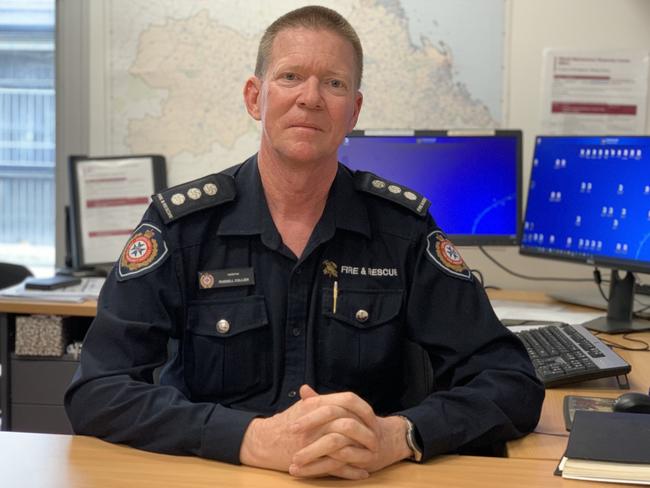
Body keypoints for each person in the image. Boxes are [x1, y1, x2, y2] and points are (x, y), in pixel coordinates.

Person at [65, 5, 544, 480]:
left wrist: (399, 435)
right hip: (218, 474)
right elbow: (98, 390)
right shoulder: (183, 229)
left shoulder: (403, 232)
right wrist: (248, 438)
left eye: (334, 83)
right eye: (291, 76)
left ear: (353, 111)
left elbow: (510, 381)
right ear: (256, 97)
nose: (311, 98)